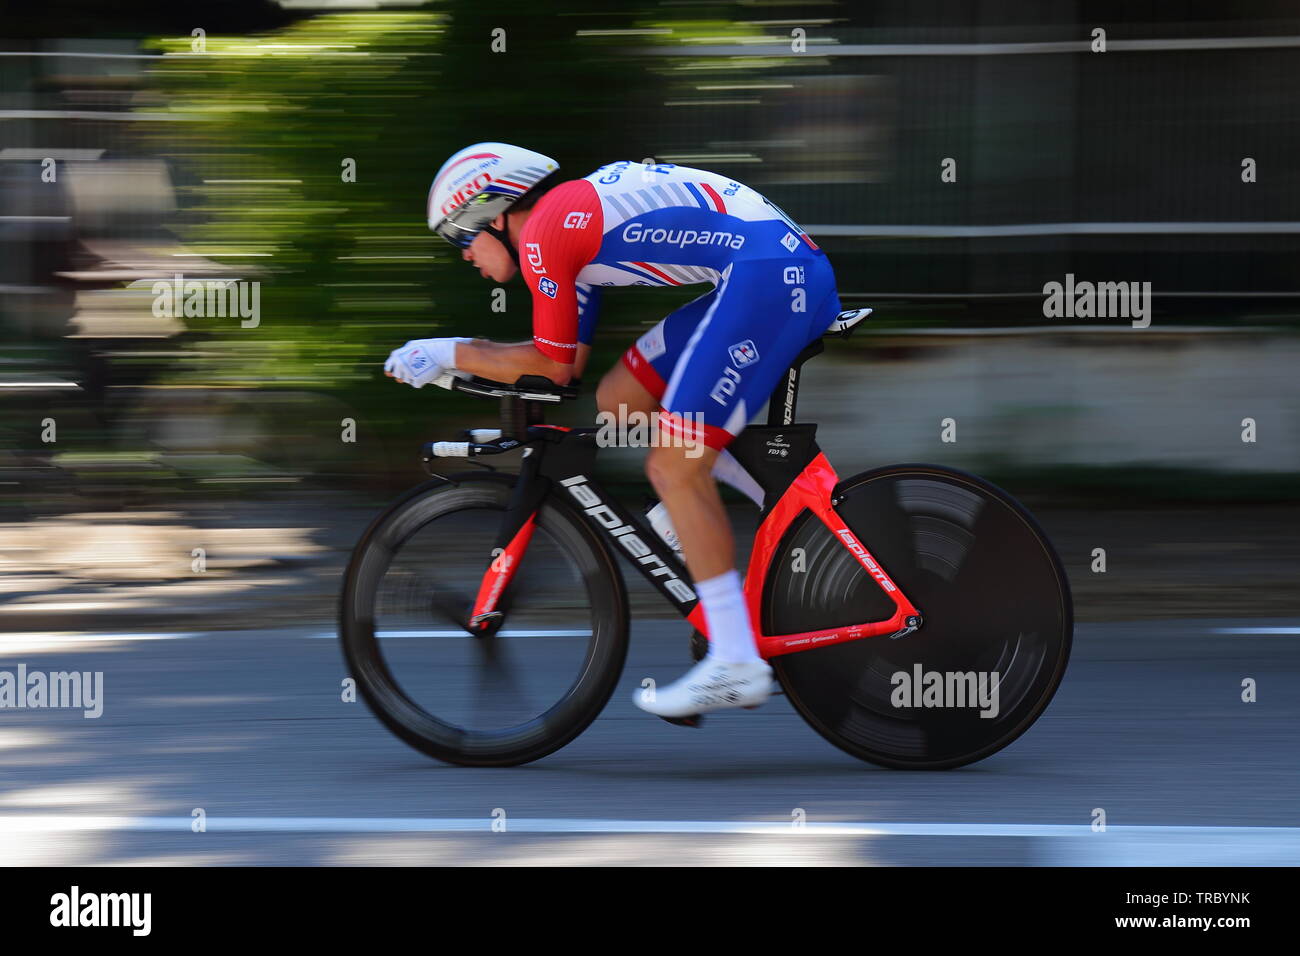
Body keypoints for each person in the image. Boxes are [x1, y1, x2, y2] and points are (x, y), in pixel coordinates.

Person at [385, 143, 843, 718]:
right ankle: (739, 502)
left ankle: (736, 661)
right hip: (770, 268)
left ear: (491, 212)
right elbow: (563, 368)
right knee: (621, 397)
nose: (463, 256)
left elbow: (548, 368)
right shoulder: (562, 229)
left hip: (770, 275)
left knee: (673, 464)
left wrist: (444, 351)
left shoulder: (548, 232)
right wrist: (460, 363)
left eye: (459, 237)